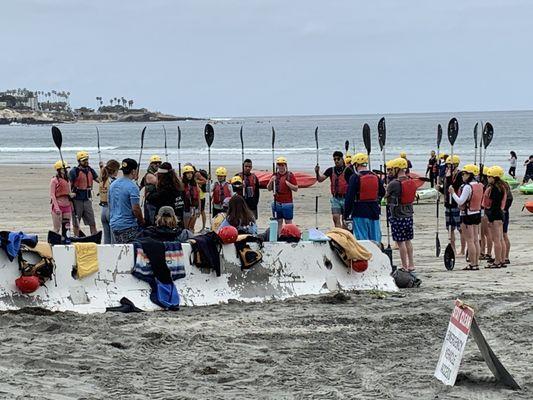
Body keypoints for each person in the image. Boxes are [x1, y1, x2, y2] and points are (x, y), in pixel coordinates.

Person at [343, 153, 385, 242]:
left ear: (356, 165)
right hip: (374, 211)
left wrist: (346, 215)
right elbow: (382, 192)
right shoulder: (375, 176)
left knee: (362, 240)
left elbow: (349, 197)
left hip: (359, 211)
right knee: (375, 239)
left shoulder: (355, 177)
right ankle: (377, 254)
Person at [385, 158, 418, 272]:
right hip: (409, 215)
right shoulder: (411, 181)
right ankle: (411, 264)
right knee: (408, 240)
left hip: (397, 215)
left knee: (400, 242)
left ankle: (404, 265)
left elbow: (386, 196)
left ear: (397, 169)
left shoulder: (394, 183)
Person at [448, 164, 483, 270]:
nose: (462, 176)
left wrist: (453, 193)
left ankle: (473, 263)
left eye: (464, 174)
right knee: (476, 240)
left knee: (470, 240)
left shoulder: (468, 187)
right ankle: (476, 263)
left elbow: (460, 201)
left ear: (470, 175)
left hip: (467, 214)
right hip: (476, 213)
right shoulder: (479, 184)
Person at [109, 158, 144, 244]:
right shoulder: (132, 187)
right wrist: (141, 222)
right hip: (128, 225)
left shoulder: (113, 184)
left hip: (114, 224)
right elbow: (136, 208)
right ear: (133, 171)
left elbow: (110, 203)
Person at [315, 151, 348, 228]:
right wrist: (317, 172)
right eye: (334, 159)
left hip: (346, 198)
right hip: (335, 198)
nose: (336, 161)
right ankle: (339, 234)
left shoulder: (348, 170)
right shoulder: (330, 170)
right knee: (335, 218)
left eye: (338, 159)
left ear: (342, 159)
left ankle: (344, 235)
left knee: (345, 220)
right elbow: (320, 179)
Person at [69, 151, 99, 236]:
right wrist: (70, 195)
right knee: (76, 222)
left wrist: (103, 169)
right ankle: (76, 237)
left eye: (87, 159)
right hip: (76, 200)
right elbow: (69, 185)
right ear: (79, 161)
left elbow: (99, 180)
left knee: (92, 221)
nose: (86, 161)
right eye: (83, 160)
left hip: (87, 199)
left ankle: (94, 236)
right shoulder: (74, 171)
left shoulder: (90, 170)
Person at [437, 155, 462, 255]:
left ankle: (463, 248)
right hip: (448, 204)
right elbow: (447, 190)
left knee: (460, 228)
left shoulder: (459, 175)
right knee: (450, 228)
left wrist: (449, 178)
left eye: (449, 165)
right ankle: (453, 248)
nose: (447, 167)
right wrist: (440, 189)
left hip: (456, 204)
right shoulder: (447, 175)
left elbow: (456, 188)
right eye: (446, 165)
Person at [482, 166, 507, 268]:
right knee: (500, 239)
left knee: (496, 239)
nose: (487, 178)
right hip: (500, 214)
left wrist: (490, 219)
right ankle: (502, 259)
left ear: (494, 177)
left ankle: (497, 261)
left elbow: (494, 205)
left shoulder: (495, 189)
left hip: (495, 215)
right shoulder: (502, 186)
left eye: (489, 177)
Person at [267, 156, 298, 233]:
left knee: (288, 222)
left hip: (287, 203)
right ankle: (279, 236)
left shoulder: (290, 175)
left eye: (282, 165)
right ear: (277, 166)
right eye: (279, 165)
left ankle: (289, 235)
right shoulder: (274, 175)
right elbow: (269, 188)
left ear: (285, 166)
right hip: (277, 202)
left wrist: (288, 184)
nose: (281, 167)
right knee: (278, 222)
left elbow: (296, 188)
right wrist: (271, 181)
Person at [98, 159, 120, 244]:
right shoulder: (113, 181)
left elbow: (102, 172)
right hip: (111, 210)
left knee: (106, 238)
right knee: (113, 239)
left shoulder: (103, 179)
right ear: (114, 170)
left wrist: (101, 167)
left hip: (103, 210)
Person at [50, 161, 72, 235]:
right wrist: (57, 208)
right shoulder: (54, 180)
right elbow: (52, 195)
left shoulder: (68, 180)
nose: (66, 171)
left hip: (67, 206)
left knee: (66, 228)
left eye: (66, 169)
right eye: (64, 169)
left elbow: (69, 193)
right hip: (58, 206)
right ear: (59, 170)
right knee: (57, 228)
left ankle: (65, 242)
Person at [140, 155, 162, 226]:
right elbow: (159, 183)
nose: (157, 164)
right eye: (155, 163)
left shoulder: (157, 174)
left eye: (159, 163)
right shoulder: (149, 175)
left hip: (157, 200)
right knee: (152, 222)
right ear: (151, 164)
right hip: (151, 202)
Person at [181, 165, 200, 231]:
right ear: (184, 174)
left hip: (194, 207)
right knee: (186, 228)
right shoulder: (182, 184)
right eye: (187, 173)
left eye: (191, 173)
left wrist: (199, 209)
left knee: (192, 227)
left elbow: (198, 197)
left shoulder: (195, 183)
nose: (189, 175)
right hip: (186, 208)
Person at [502, 179, 513, 266]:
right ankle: (505, 256)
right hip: (505, 211)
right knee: (504, 234)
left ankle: (505, 256)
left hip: (502, 212)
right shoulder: (505, 185)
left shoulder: (501, 186)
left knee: (502, 235)